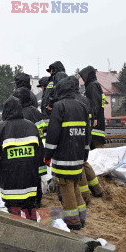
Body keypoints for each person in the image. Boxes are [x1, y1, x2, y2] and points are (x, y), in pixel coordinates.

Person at [44, 77, 90, 230]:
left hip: (63, 159)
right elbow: (87, 134)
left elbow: (53, 133)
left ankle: (73, 222)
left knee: (67, 191)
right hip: (78, 158)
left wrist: (47, 155)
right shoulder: (82, 107)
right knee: (76, 188)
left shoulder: (59, 106)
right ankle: (82, 218)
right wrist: (85, 155)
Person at [0, 96, 42, 221]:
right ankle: (35, 233)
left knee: (14, 213)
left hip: (10, 180)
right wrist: (39, 176)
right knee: (30, 208)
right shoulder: (31, 126)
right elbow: (40, 152)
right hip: (30, 179)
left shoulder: (1, 128)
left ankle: (18, 235)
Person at [12, 87, 46, 208]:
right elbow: (42, 131)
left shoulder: (18, 113)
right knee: (36, 177)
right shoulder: (36, 112)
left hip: (24, 150)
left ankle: (27, 202)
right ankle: (37, 201)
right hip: (37, 149)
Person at [73, 76, 104, 198]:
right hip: (84, 136)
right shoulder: (84, 99)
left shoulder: (69, 101)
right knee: (84, 162)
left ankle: (85, 196)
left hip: (73, 139)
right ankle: (98, 190)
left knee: (78, 165)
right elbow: (90, 119)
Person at [79, 66, 106, 149]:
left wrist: (94, 117)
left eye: (83, 77)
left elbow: (94, 102)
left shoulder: (92, 86)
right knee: (97, 146)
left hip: (95, 124)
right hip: (99, 123)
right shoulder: (96, 85)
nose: (83, 79)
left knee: (97, 149)